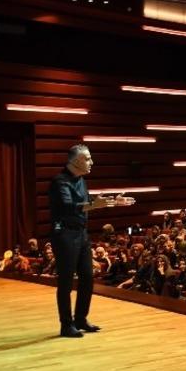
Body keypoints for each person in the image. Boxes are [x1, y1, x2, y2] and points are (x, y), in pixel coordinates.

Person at [48, 144, 133, 338]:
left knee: (87, 277)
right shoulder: (59, 182)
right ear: (76, 161)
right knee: (66, 282)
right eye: (87, 158)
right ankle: (66, 325)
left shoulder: (81, 181)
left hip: (81, 233)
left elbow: (88, 203)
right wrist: (94, 205)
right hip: (64, 235)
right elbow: (69, 207)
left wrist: (112, 201)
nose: (91, 162)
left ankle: (80, 319)